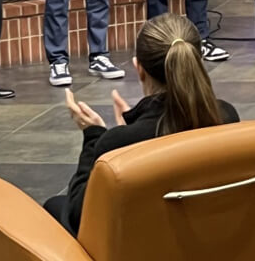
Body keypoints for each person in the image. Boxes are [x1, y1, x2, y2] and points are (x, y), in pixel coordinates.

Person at [45, 13, 238, 234]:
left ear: (139, 68)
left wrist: (93, 136)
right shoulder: (226, 116)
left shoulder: (120, 141)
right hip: (211, 236)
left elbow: (79, 216)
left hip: (147, 244)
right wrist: (134, 124)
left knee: (55, 206)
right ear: (196, 61)